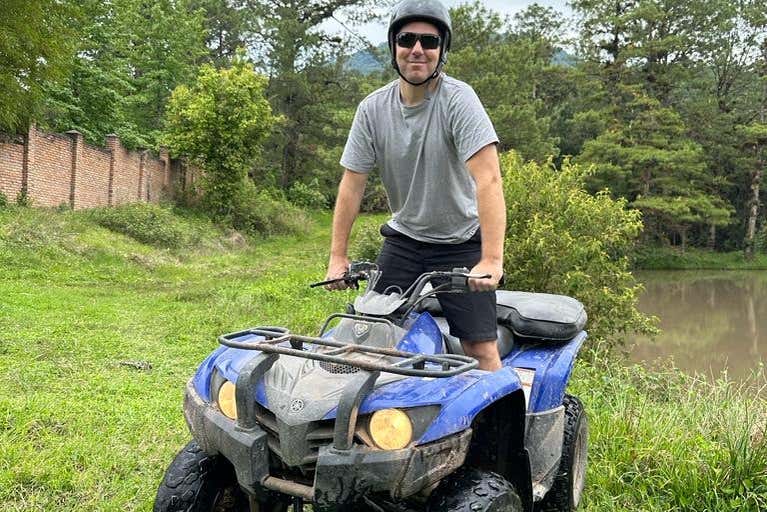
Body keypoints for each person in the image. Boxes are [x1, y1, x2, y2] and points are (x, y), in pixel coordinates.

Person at [324, 0, 506, 371]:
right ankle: (370, 427)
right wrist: (337, 257)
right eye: (407, 39)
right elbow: (352, 185)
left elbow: (488, 178)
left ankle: (504, 426)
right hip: (404, 240)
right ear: (394, 47)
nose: (418, 50)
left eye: (430, 41)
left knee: (480, 347)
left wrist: (491, 259)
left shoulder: (459, 101)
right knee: (368, 335)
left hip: (460, 241)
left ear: (442, 50)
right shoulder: (372, 109)